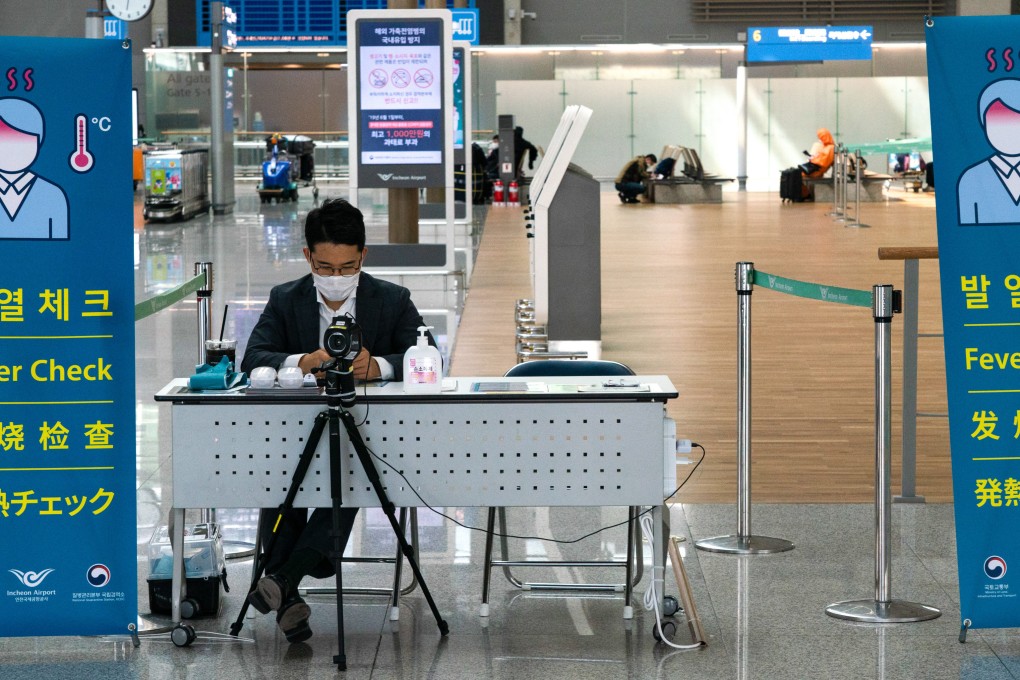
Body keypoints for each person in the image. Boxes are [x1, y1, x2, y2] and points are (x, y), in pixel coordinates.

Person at [240, 198, 436, 644]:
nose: (336, 277)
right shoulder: (285, 299)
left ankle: (283, 580)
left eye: (347, 267)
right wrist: (303, 361)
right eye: (325, 267)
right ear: (307, 256)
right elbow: (253, 358)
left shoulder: (392, 299)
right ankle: (288, 588)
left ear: (363, 255)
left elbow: (428, 355)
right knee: (278, 487)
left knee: (349, 478)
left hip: (366, 439)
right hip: (292, 438)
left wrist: (379, 366)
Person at [958, 79, 1020, 224]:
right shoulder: (971, 179)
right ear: (984, 125)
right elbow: (966, 228)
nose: (1011, 131)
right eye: (999, 121)